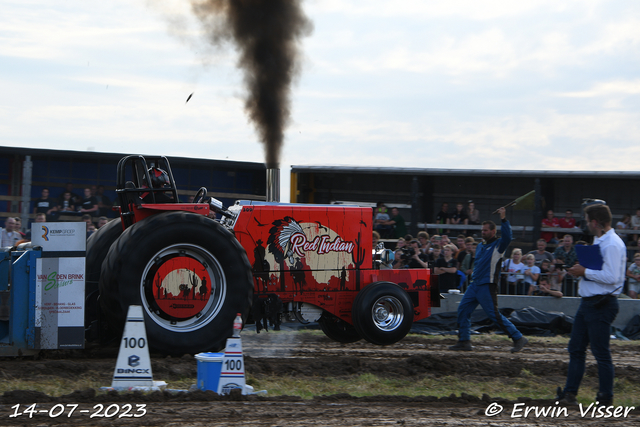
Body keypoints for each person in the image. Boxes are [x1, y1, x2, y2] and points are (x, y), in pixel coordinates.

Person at [558, 202, 626, 406]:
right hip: (590, 303)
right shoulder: (600, 240)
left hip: (601, 304)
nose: (586, 224)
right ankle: (570, 394)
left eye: (588, 221)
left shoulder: (612, 244)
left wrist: (584, 271)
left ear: (595, 222)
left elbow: (612, 277)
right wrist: (582, 269)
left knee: (600, 352)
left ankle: (605, 398)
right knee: (576, 349)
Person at [449, 207, 528, 353]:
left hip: (487, 286)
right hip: (475, 285)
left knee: (494, 315)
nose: (482, 232)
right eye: (482, 230)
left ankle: (518, 338)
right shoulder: (479, 246)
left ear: (493, 231)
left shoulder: (498, 245)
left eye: (485, 230)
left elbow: (508, 237)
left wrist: (503, 219)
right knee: (463, 310)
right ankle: (464, 341)